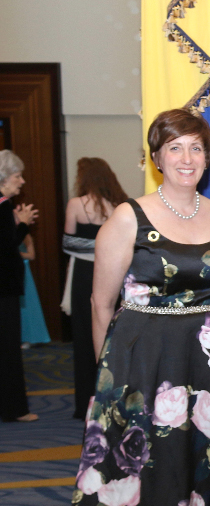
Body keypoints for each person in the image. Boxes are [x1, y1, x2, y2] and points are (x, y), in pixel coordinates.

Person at [69, 109, 210, 506]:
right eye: (174, 148)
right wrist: (107, 378)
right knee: (140, 467)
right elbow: (100, 304)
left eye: (196, 148)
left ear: (207, 157)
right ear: (156, 158)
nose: (186, 158)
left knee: (196, 463)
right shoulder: (129, 217)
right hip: (139, 358)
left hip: (201, 360)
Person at [63, 157, 128, 419]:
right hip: (115, 273)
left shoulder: (76, 205)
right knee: (113, 335)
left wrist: (93, 246)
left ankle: (84, 405)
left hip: (84, 275)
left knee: (83, 336)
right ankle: (113, 397)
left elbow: (68, 244)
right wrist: (108, 248)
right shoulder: (120, 207)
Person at [0, 149, 39, 423]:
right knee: (8, 349)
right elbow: (7, 246)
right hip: (3, 287)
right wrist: (23, 225)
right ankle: (15, 409)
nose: (22, 181)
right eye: (17, 175)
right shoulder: (3, 205)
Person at [20, 233, 51, 347]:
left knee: (27, 305)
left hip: (24, 270)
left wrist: (17, 254)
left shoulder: (25, 235)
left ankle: (29, 338)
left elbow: (32, 255)